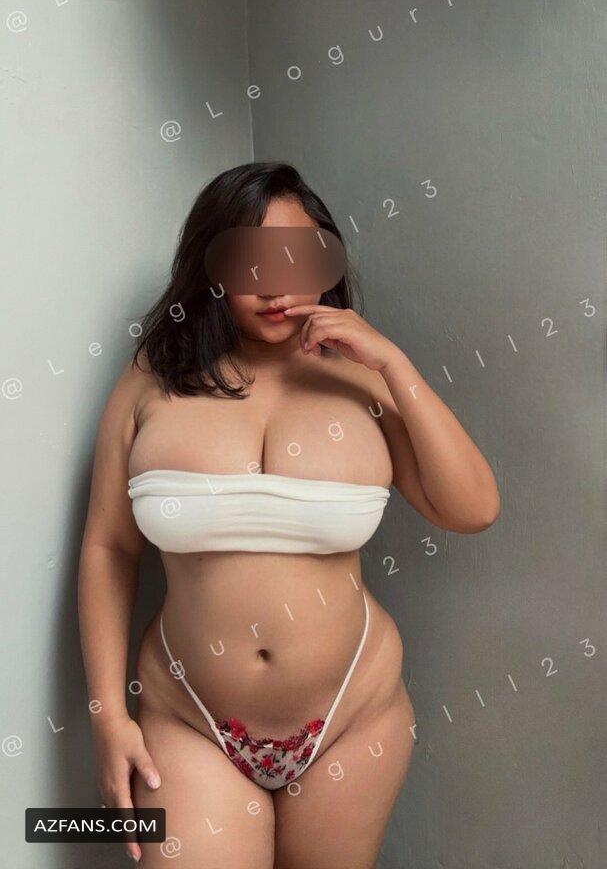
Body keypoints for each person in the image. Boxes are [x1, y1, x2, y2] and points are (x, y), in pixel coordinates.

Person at [78, 161, 500, 868]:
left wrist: (393, 365)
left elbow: (473, 508)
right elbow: (108, 549)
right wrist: (106, 717)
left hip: (351, 719)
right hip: (188, 720)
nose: (275, 287)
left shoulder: (362, 380)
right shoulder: (152, 379)